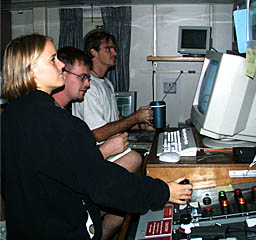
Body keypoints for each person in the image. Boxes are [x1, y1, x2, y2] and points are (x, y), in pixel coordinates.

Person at [1, 33, 193, 239]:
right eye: (52, 60)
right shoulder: (52, 122)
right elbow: (101, 181)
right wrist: (163, 192)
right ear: (32, 70)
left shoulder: (12, 115)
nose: (61, 66)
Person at [52, 46, 141, 239]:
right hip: (64, 203)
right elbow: (66, 176)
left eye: (88, 78)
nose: (87, 84)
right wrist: (106, 151)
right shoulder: (51, 120)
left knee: (123, 208)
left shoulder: (67, 118)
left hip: (80, 185)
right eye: (82, 77)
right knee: (133, 164)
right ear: (62, 74)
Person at [72, 30, 154, 144]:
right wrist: (135, 117)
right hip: (96, 153)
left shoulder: (106, 82)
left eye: (114, 49)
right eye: (108, 49)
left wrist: (141, 125)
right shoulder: (88, 87)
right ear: (93, 52)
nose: (114, 53)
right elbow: (98, 134)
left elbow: (115, 120)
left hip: (113, 147)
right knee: (135, 159)